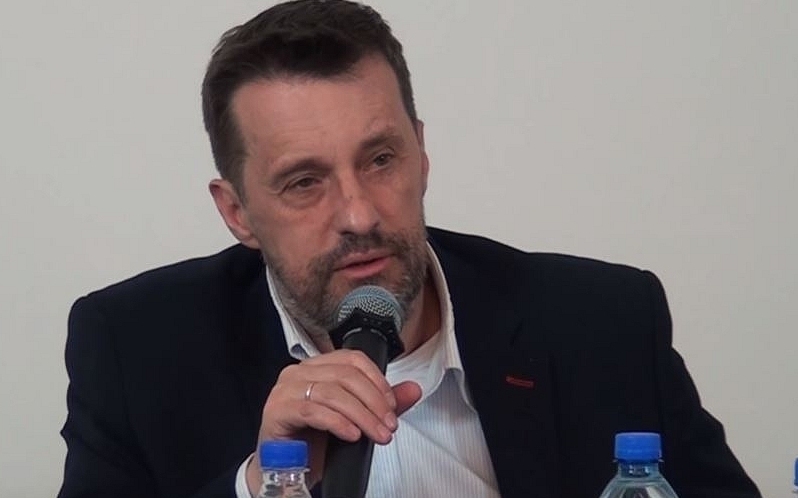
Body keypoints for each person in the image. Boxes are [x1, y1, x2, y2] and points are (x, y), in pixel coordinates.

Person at [58, 1, 761, 497]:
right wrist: (264, 481)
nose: (359, 214)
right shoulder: (135, 348)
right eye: (304, 182)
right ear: (236, 212)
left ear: (421, 155)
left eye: (381, 159)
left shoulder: (603, 322)